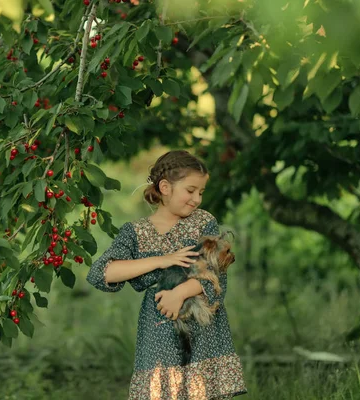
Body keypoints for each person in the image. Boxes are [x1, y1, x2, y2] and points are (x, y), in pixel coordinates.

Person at [86, 150, 247, 399]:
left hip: (202, 328)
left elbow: (217, 275)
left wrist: (180, 292)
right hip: (158, 327)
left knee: (201, 391)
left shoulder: (203, 223)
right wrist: (161, 260)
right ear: (165, 187)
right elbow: (103, 273)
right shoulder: (135, 232)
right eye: (191, 190)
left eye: (201, 192)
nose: (197, 199)